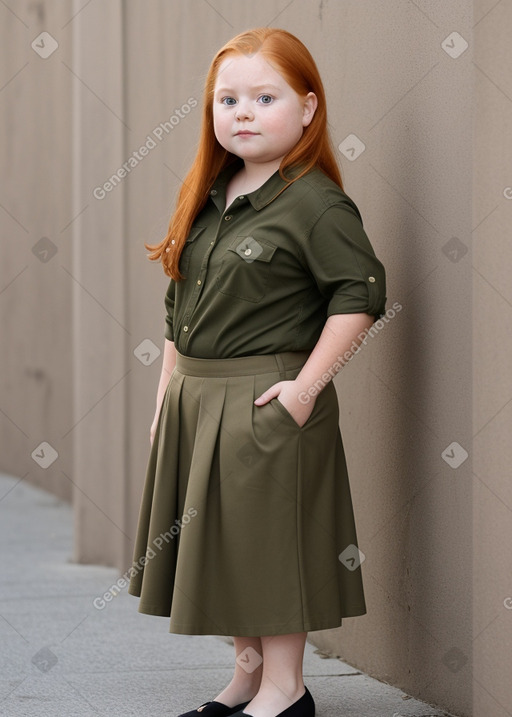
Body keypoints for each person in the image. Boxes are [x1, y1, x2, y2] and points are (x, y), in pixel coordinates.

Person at [128, 26, 387, 717]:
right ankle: (246, 679)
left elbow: (361, 295)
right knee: (228, 543)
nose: (242, 112)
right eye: (228, 99)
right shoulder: (209, 194)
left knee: (271, 543)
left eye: (264, 97)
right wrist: (164, 402)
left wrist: (304, 390)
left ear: (307, 108)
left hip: (264, 394)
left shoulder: (315, 203)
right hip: (197, 396)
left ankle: (286, 688)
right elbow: (175, 312)